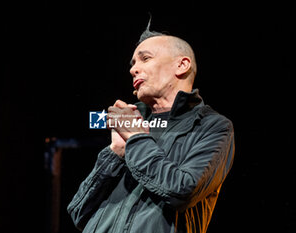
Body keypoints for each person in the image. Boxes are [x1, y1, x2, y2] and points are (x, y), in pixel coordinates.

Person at [67, 21, 235, 233]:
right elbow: (78, 212)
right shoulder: (130, 119)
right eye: (132, 63)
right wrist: (115, 153)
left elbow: (182, 192)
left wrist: (136, 138)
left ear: (182, 65)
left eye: (145, 59)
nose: (133, 69)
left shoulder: (213, 125)